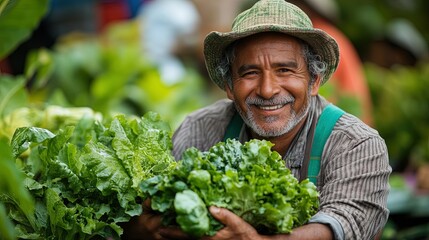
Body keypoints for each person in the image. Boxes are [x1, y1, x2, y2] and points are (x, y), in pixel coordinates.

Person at [124, 0, 391, 239]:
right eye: (250, 73)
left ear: (314, 81)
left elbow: (344, 225)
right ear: (229, 86)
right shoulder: (200, 130)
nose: (267, 90)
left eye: (285, 70)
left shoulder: (356, 144)